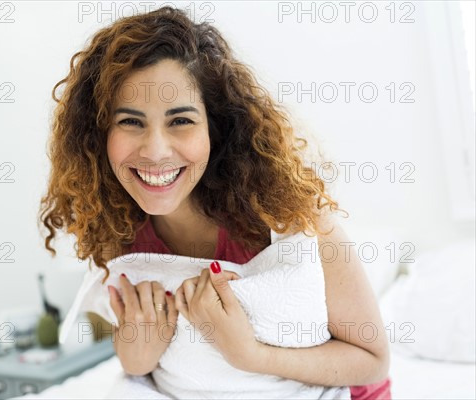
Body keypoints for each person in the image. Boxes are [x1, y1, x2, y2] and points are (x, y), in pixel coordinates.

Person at [39, 6, 391, 399]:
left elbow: (372, 359)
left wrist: (249, 353)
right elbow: (137, 357)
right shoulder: (113, 233)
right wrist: (136, 355)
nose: (155, 152)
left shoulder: (292, 219)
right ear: (98, 134)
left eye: (181, 121)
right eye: (131, 122)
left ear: (216, 127)